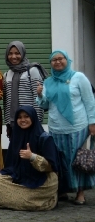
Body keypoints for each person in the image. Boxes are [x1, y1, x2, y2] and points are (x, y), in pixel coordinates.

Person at [36, 50, 95, 205]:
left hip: (78, 126)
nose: (57, 62)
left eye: (60, 58)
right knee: (60, 161)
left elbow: (90, 102)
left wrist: (93, 123)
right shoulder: (48, 81)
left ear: (67, 60)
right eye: (53, 60)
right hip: (56, 128)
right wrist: (40, 95)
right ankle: (62, 190)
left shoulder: (79, 78)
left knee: (77, 161)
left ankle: (80, 193)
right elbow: (45, 105)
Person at [0, 106, 60, 211]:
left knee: (28, 196)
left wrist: (32, 157)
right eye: (19, 117)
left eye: (26, 116)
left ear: (33, 117)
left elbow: (50, 166)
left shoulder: (45, 138)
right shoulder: (16, 137)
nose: (23, 120)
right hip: (20, 176)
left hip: (42, 180)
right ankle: (27, 201)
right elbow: (10, 165)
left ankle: (42, 201)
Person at [3, 41, 47, 137]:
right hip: (13, 124)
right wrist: (8, 124)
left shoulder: (32, 71)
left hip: (30, 122)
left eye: (17, 53)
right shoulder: (7, 74)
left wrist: (37, 122)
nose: (13, 56)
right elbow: (6, 103)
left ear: (22, 53)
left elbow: (38, 99)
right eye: (10, 54)